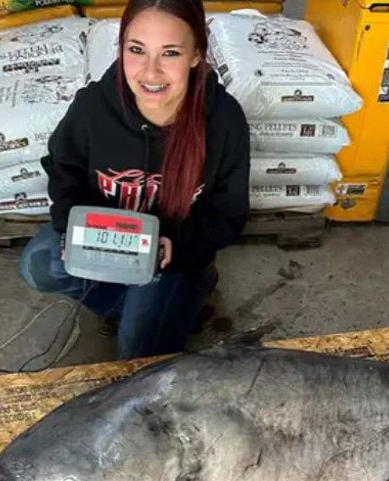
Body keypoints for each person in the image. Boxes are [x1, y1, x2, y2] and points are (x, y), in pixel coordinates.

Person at [18, 0, 250, 361]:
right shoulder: (94, 107)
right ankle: (131, 308)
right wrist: (69, 229)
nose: (150, 72)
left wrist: (181, 247)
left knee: (135, 355)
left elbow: (228, 210)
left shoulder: (223, 121)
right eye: (136, 50)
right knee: (40, 264)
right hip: (107, 236)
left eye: (170, 53)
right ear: (122, 48)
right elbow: (64, 169)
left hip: (171, 255)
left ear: (195, 56)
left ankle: (187, 291)